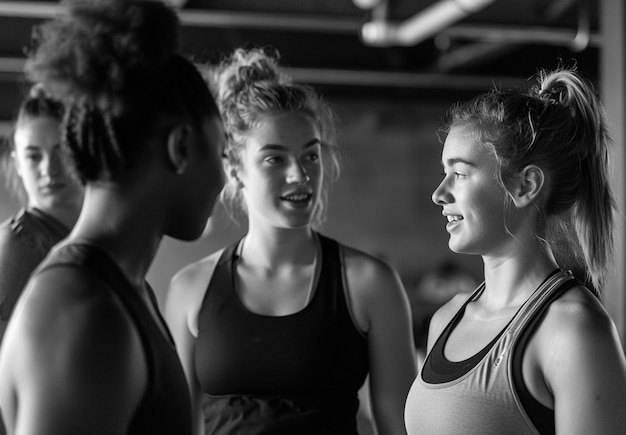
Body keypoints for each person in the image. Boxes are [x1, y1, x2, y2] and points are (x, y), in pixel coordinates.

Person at [0, 0, 225, 434]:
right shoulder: (84, 310)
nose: (223, 178)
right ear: (180, 147)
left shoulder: (121, 289)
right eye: (220, 152)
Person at [165, 47, 417, 435]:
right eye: (275, 159)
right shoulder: (189, 288)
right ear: (234, 167)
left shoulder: (371, 283)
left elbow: (400, 428)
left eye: (310, 157)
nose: (299, 175)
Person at [405, 67, 626, 434]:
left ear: (525, 186)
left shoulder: (574, 331)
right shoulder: (446, 319)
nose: (439, 194)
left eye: (458, 174)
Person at [0, 85, 83, 342]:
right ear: (18, 164)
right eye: (34, 156)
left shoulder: (91, 241)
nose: (49, 168)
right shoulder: (19, 245)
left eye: (62, 152)